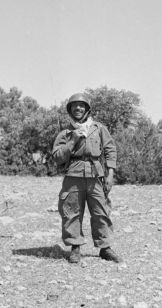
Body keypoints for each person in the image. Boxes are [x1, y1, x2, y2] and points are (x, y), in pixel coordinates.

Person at [52, 93, 122, 264]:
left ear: (87, 108)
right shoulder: (66, 132)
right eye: (74, 105)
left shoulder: (98, 128)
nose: (78, 108)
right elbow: (57, 156)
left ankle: (105, 248)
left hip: (96, 175)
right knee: (72, 212)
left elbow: (110, 149)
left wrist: (110, 173)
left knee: (101, 211)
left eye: (81, 105)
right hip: (73, 175)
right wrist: (72, 141)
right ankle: (75, 248)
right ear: (70, 109)